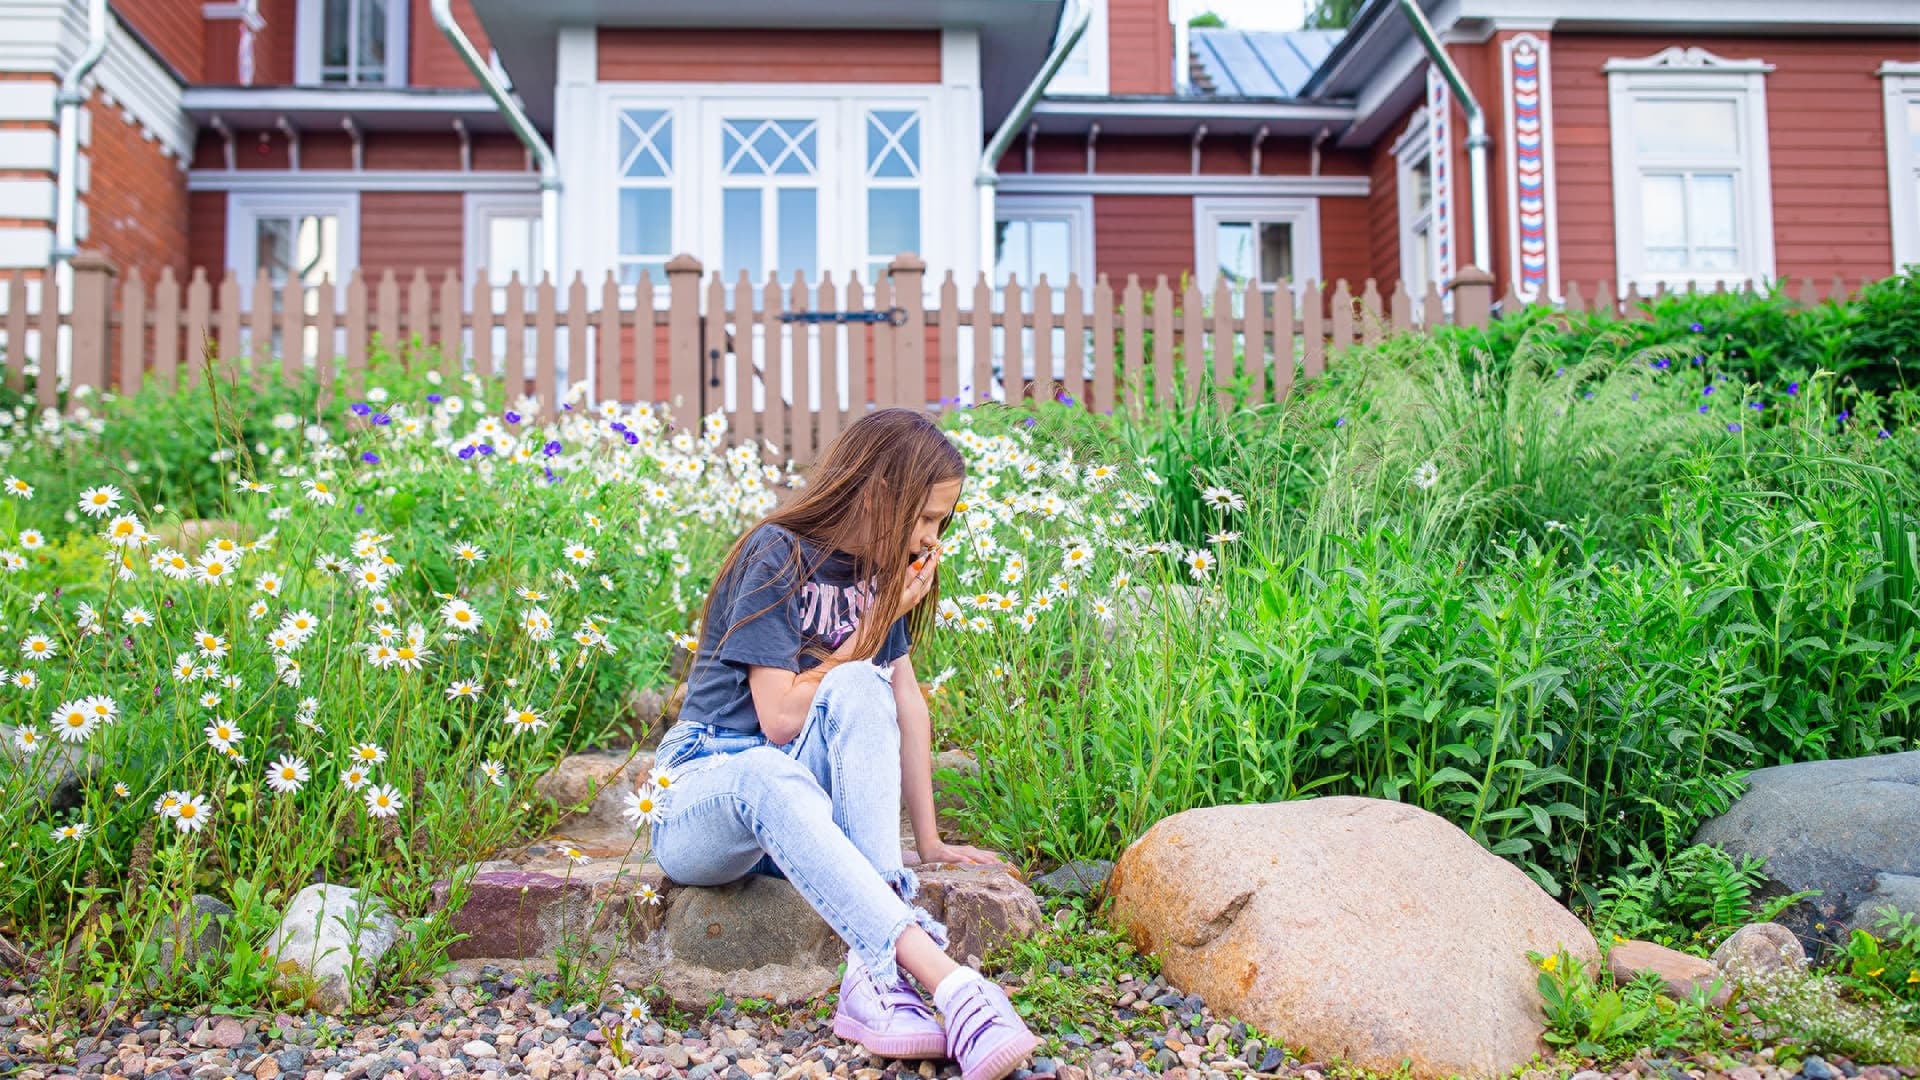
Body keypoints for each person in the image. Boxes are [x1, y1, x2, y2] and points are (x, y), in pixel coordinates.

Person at [649, 408, 1040, 1080]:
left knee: (864, 689)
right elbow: (777, 719)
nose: (930, 539)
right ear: (878, 493)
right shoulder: (777, 552)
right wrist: (872, 628)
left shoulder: (879, 572)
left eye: (942, 524)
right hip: (708, 791)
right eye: (924, 519)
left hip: (796, 818)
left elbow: (904, 703)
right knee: (765, 767)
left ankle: (872, 978)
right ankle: (949, 984)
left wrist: (932, 840)